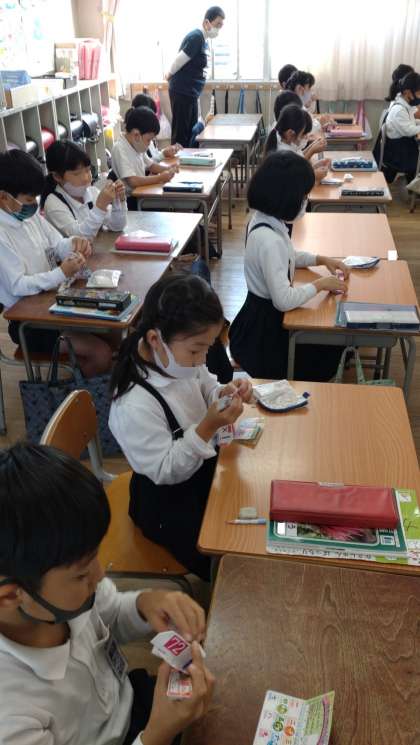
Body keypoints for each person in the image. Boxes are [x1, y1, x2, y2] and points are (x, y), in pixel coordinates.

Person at [0, 442, 214, 745]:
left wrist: (144, 604)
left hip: (129, 702)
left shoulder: (63, 597)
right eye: (81, 573)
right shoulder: (11, 717)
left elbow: (111, 613)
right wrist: (157, 735)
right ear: (10, 597)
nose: (100, 574)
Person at [109, 273, 252, 581]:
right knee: (227, 556)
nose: (202, 359)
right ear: (154, 339)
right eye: (196, 350)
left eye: (208, 348)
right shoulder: (133, 405)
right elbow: (165, 470)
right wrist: (207, 427)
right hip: (167, 500)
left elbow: (204, 382)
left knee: (245, 507)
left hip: (200, 470)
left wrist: (223, 393)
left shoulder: (177, 357)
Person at [229, 151, 349, 381]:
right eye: (303, 196)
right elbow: (283, 300)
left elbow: (287, 255)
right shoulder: (270, 240)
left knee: (330, 340)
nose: (305, 202)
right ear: (286, 198)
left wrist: (321, 259)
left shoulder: (263, 220)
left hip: (256, 318)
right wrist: (320, 284)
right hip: (266, 333)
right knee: (331, 344)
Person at [0, 150, 112, 377]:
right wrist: (61, 272)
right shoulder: (3, 234)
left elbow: (56, 243)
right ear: (4, 197)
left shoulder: (29, 216)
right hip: (29, 324)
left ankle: (89, 386)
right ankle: (76, 397)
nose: (34, 205)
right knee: (101, 354)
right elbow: (17, 286)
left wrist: (74, 243)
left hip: (51, 304)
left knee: (112, 332)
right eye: (28, 200)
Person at [42, 140, 127, 239]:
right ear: (57, 176)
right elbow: (81, 237)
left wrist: (119, 200)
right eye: (77, 174)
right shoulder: (53, 203)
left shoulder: (91, 192)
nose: (86, 178)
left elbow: (117, 226)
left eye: (88, 170)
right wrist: (100, 206)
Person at [166, 6, 225, 147]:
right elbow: (179, 60)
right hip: (182, 92)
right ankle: (177, 160)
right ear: (206, 22)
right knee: (181, 134)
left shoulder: (203, 40)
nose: (218, 29)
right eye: (217, 24)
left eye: (221, 26)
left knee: (191, 132)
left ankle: (188, 159)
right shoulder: (196, 37)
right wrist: (168, 74)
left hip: (190, 93)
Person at [111, 107, 177, 208]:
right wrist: (160, 178)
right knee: (170, 203)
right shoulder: (120, 148)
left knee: (171, 199)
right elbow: (133, 181)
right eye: (149, 140)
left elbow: (151, 166)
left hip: (141, 193)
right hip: (130, 201)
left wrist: (169, 169)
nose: (149, 144)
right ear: (136, 135)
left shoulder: (136, 144)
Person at [264, 104, 329, 183]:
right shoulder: (282, 153)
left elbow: (298, 157)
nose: (306, 137)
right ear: (290, 133)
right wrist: (314, 175)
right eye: (303, 135)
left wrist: (314, 166)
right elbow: (295, 177)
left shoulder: (285, 141)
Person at [379, 71, 420, 184]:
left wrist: (418, 122)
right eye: (418, 93)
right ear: (407, 93)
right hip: (399, 155)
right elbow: (409, 130)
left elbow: (410, 122)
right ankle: (413, 187)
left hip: (401, 151)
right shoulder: (399, 110)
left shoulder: (404, 106)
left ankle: (412, 186)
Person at [131, 93, 182, 161]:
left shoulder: (147, 134)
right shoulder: (137, 139)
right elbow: (146, 164)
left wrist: (167, 151)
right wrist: (163, 154)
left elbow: (154, 156)